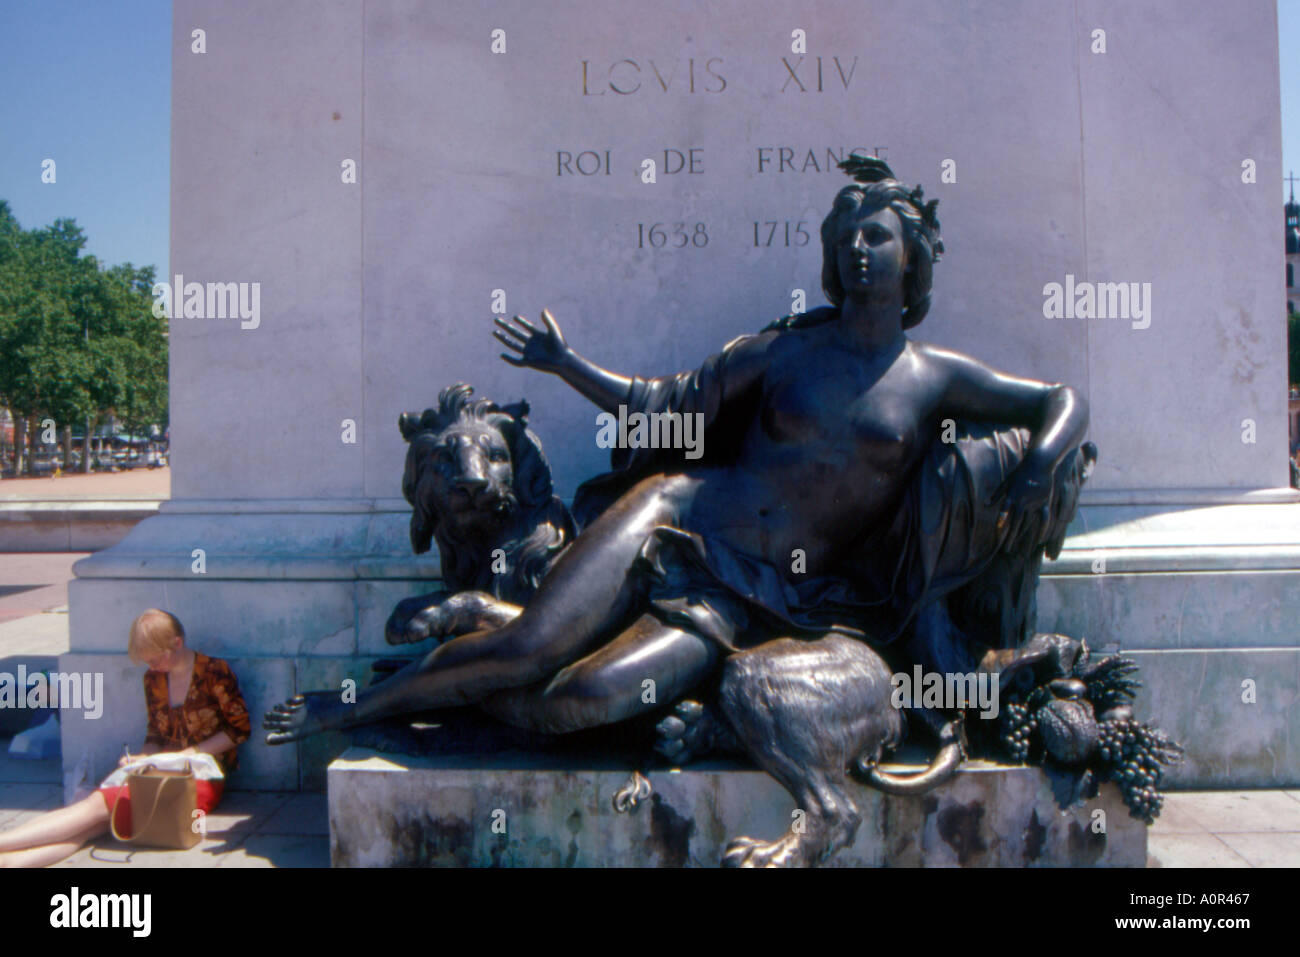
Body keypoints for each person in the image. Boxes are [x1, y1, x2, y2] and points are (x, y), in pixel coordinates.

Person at [265, 157, 1091, 742]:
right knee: (531, 652)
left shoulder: (935, 376)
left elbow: (1061, 400)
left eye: (876, 236)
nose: (858, 250)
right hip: (677, 520)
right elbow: (666, 406)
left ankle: (474, 646)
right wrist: (567, 365)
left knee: (583, 697)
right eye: (845, 239)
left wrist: (1046, 457)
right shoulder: (785, 352)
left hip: (759, 597)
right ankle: (357, 707)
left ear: (913, 257)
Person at [0, 609, 250, 867]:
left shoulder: (214, 672)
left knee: (95, 807)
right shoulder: (154, 679)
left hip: (197, 777)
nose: (153, 667)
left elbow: (239, 730)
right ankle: (10, 863)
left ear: (177, 644)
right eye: (148, 661)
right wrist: (143, 756)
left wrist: (189, 754)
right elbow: (155, 732)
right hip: (160, 770)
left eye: (156, 659)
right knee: (93, 825)